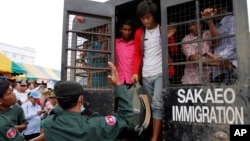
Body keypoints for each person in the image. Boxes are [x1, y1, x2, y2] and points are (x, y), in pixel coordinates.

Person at [39, 62, 133, 141]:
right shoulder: (95, 126)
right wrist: (117, 85)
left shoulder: (49, 123)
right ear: (81, 99)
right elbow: (125, 116)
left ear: (58, 102)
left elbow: (55, 111)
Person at [132, 1, 177, 141]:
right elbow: (138, 54)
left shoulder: (162, 29)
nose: (145, 21)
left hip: (160, 73)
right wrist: (135, 72)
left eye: (147, 17)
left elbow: (175, 51)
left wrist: (167, 39)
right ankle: (156, 133)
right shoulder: (139, 32)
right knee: (149, 106)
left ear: (153, 16)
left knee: (157, 105)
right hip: (146, 75)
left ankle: (155, 138)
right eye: (142, 18)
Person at [202, 3, 237, 83]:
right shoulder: (217, 25)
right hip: (218, 71)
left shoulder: (232, 20)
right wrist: (209, 21)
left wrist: (219, 57)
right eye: (213, 8)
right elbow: (215, 42)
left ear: (225, 7)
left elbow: (235, 44)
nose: (214, 11)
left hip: (230, 68)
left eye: (217, 7)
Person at [181, 12, 219, 84]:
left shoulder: (207, 33)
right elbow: (194, 59)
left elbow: (216, 40)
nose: (191, 27)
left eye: (193, 24)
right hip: (190, 81)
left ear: (201, 24)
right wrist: (216, 63)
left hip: (206, 80)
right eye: (189, 26)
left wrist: (210, 22)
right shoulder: (186, 40)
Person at [115, 18, 135, 88]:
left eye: (129, 30)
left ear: (132, 30)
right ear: (121, 30)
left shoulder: (135, 44)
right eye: (125, 30)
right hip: (119, 79)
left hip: (132, 79)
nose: (127, 32)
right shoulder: (115, 42)